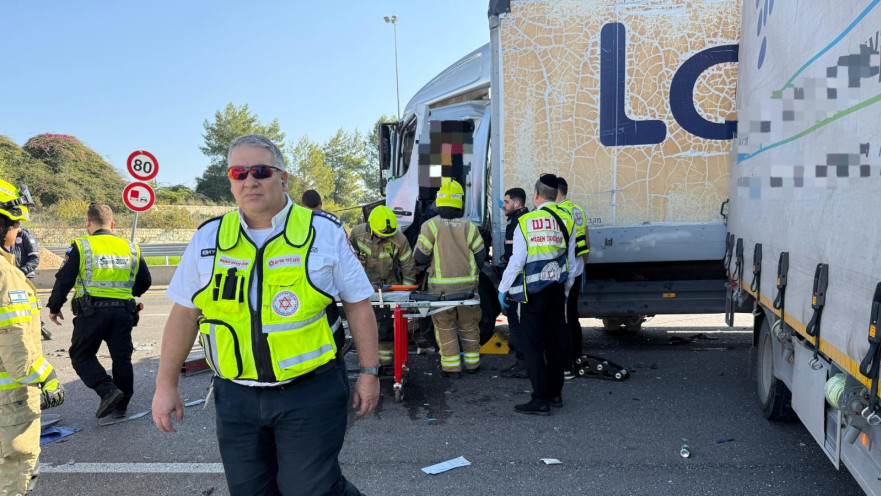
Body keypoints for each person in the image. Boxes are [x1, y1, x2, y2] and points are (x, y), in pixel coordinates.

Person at [152, 133, 379, 496]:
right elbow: (184, 313)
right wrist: (166, 385)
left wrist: (369, 372)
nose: (249, 180)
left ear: (283, 178)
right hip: (236, 397)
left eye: (261, 170)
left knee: (310, 490)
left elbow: (358, 303)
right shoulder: (208, 239)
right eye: (238, 173)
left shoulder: (324, 232)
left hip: (311, 391)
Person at [47, 203, 152, 419]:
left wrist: (55, 306)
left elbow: (63, 280)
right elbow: (145, 281)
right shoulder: (130, 247)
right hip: (123, 311)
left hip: (91, 312)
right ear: (112, 224)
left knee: (81, 355)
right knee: (121, 358)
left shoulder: (81, 246)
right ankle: (121, 405)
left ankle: (107, 390)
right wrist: (126, 294)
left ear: (88, 223)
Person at [0, 180, 64, 495]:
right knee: (15, 478)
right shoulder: (5, 275)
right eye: (14, 223)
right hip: (7, 409)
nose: (17, 232)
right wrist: (48, 376)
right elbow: (17, 354)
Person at [497, 174, 576, 415]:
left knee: (532, 346)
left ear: (536, 194)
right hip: (555, 292)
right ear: (555, 195)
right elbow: (570, 264)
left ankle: (539, 399)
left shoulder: (526, 222)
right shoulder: (566, 220)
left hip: (532, 294)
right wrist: (565, 291)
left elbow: (517, 261)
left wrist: (502, 289)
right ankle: (555, 395)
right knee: (554, 345)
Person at [414, 180, 486, 378]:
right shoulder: (469, 226)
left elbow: (419, 257)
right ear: (460, 202)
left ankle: (452, 367)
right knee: (469, 325)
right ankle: (473, 364)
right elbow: (481, 256)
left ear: (439, 202)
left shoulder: (431, 226)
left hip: (440, 291)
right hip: (468, 288)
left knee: (445, 327)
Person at [349, 205, 417, 366]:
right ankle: (368, 361)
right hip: (364, 288)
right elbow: (348, 260)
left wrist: (404, 295)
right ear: (371, 227)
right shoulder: (358, 234)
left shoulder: (399, 239)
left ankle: (385, 364)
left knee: (386, 327)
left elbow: (408, 267)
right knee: (364, 326)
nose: (386, 237)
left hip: (389, 288)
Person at [556, 177, 590, 379]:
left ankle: (566, 366)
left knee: (563, 320)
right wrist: (582, 267)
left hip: (564, 274)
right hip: (577, 270)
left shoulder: (559, 212)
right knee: (573, 317)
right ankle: (577, 358)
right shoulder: (578, 211)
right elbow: (587, 241)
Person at [498, 187, 530, 379]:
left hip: (519, 282)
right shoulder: (526, 219)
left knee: (516, 322)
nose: (504, 206)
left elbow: (513, 259)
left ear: (517, 204)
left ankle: (522, 363)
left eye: (507, 202)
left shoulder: (517, 222)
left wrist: (503, 287)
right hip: (527, 282)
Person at [4, 226, 53, 340]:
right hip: (7, 276)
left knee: (27, 305)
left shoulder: (24, 235)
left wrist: (20, 272)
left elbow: (34, 259)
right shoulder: (3, 236)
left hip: (23, 277)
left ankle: (39, 326)